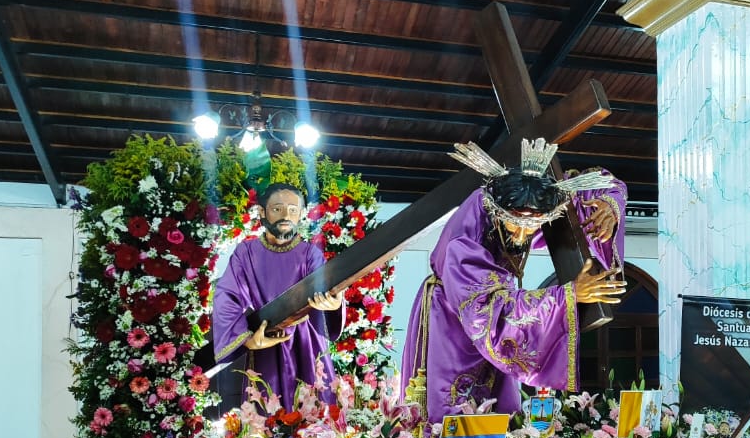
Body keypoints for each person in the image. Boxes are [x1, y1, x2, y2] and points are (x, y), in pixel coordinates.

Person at [400, 139, 626, 423]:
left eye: (533, 225)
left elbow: (596, 185)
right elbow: (488, 309)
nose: (522, 234)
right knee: (452, 413)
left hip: (491, 311)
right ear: (496, 211)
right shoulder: (464, 241)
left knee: (501, 412)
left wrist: (608, 206)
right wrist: (567, 296)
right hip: (452, 319)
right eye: (515, 222)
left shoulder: (532, 207)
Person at [212, 183, 344, 406]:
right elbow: (227, 295)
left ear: (302, 214)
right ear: (262, 212)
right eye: (277, 209)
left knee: (312, 412)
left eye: (293, 210)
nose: (286, 216)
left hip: (307, 343)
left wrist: (334, 303)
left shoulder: (310, 253)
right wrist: (246, 339)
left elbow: (328, 287)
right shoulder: (246, 253)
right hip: (266, 339)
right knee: (266, 414)